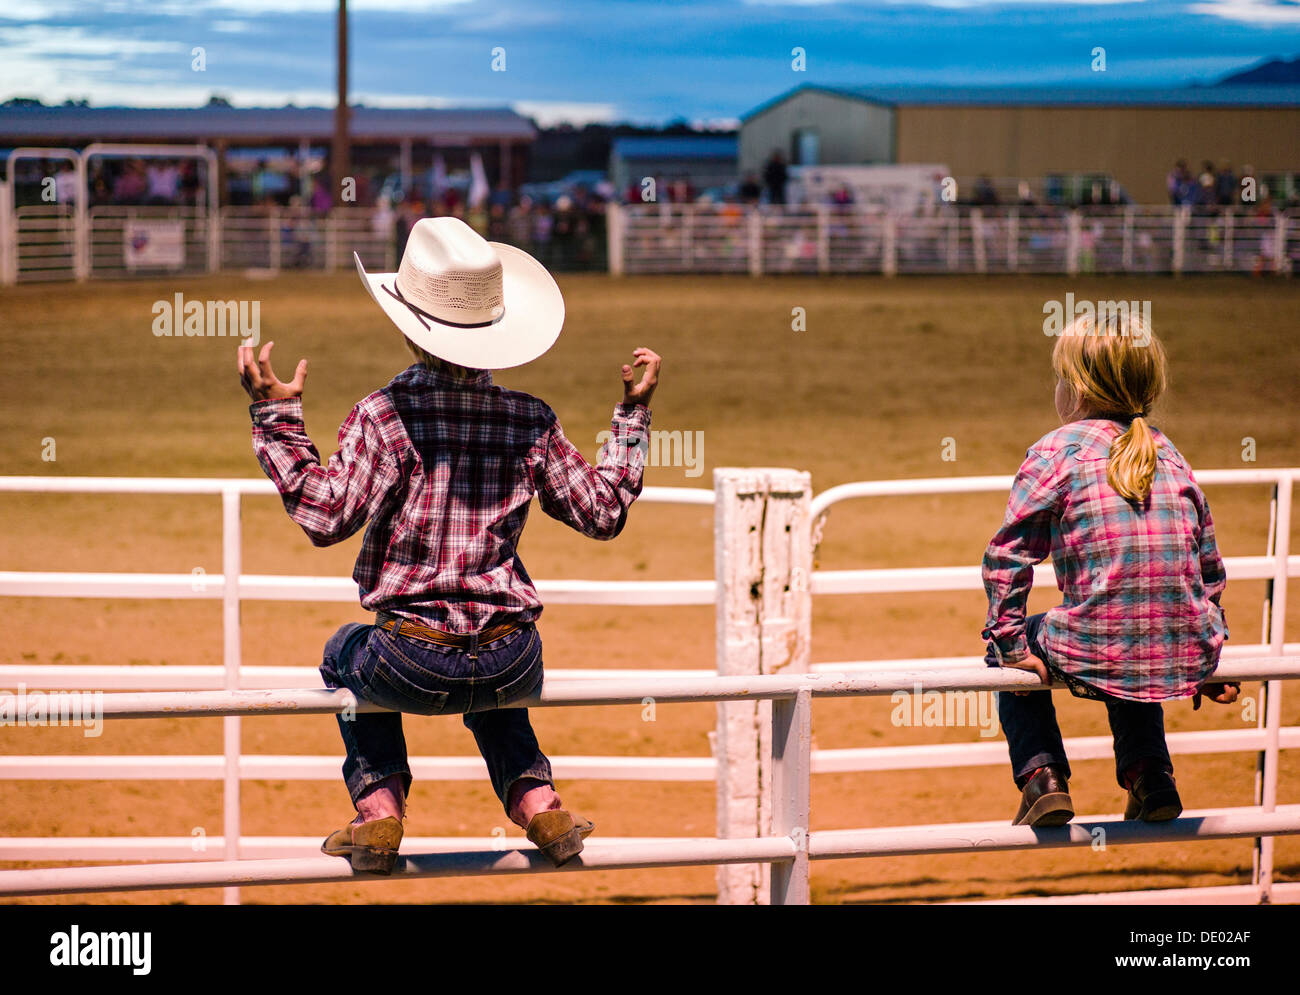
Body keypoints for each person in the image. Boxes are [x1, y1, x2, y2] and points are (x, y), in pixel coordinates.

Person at [236, 216, 661, 872]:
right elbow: (603, 512)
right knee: (496, 698)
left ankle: (379, 807)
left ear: (408, 325)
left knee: (344, 650)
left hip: (411, 658)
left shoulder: (384, 414)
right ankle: (539, 801)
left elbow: (325, 517)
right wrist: (631, 416)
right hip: (513, 654)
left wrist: (278, 420)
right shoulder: (531, 419)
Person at [981, 307, 1238, 828]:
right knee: (1136, 634)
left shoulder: (1055, 452)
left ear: (1075, 389)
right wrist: (1207, 656)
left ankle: (1042, 777)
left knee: (1015, 647)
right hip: (1179, 643)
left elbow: (1008, 557)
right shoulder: (1170, 455)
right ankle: (1150, 774)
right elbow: (1206, 568)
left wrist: (1010, 644)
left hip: (1101, 640)